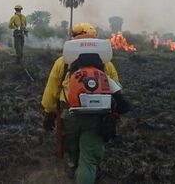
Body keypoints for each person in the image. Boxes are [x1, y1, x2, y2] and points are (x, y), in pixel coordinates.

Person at [41, 22, 131, 184]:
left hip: (70, 116)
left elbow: (51, 92)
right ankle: (83, 175)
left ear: (74, 39)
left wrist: (49, 113)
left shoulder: (62, 62)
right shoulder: (106, 64)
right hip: (97, 117)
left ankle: (76, 172)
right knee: (88, 160)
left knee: (74, 154)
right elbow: (116, 91)